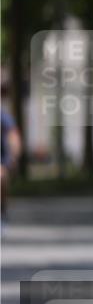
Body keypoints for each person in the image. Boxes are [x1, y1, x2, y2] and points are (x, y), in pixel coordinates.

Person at [1, 85, 22, 232]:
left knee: (0, 176)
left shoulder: (2, 116)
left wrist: (14, 156)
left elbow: (13, 135)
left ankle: (2, 211)